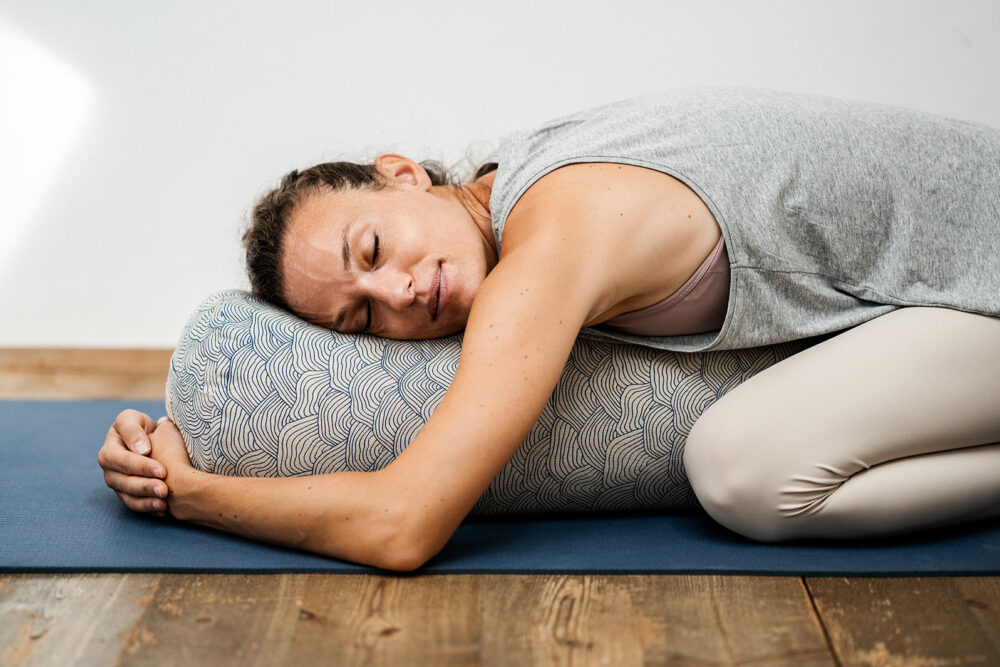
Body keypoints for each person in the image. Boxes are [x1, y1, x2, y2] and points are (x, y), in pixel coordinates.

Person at [98, 87, 1000, 571]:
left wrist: (189, 492)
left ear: (402, 174)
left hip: (981, 282)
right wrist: (175, 429)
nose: (399, 294)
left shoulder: (551, 239)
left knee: (745, 469)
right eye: (360, 317)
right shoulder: (526, 171)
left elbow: (403, 525)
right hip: (934, 297)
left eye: (372, 246)